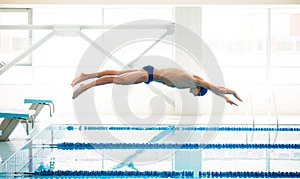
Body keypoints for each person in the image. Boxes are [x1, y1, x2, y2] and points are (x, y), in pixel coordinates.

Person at [72, 65, 242, 106]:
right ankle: (84, 86)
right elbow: (215, 88)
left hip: (149, 71)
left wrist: (226, 98)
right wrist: (231, 93)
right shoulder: (196, 81)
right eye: (197, 94)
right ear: (199, 89)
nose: (193, 94)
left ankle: (85, 76)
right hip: (147, 75)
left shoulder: (193, 79)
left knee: (116, 74)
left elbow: (214, 90)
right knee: (115, 79)